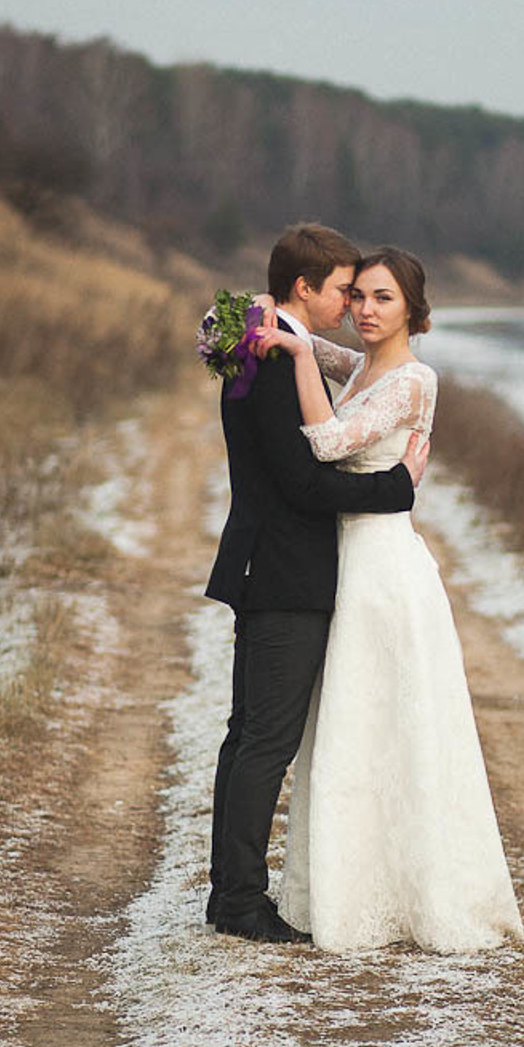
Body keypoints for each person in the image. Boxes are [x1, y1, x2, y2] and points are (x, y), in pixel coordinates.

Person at [251, 246, 524, 953]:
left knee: (392, 726)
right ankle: (348, 882)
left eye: (383, 300)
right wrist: (259, 325)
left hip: (384, 571)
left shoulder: (414, 380)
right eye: (360, 297)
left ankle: (417, 892)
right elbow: (316, 343)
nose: (366, 311)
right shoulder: (365, 365)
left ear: (413, 311)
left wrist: (301, 356)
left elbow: (330, 441)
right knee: (352, 723)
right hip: (348, 564)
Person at [205, 223, 429, 944]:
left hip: (269, 564)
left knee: (248, 738)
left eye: (368, 295)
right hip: (286, 572)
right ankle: (240, 902)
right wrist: (397, 489)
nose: (350, 305)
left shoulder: (260, 341)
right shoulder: (273, 360)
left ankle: (231, 894)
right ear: (304, 287)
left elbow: (220, 322)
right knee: (263, 742)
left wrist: (247, 314)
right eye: (342, 290)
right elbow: (305, 481)